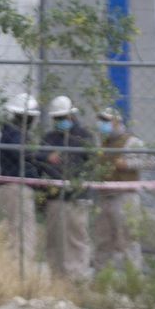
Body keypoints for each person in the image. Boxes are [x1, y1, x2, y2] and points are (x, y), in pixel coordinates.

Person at [38, 94, 95, 280]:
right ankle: (57, 276)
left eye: (63, 118)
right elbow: (37, 159)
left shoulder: (85, 137)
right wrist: (47, 158)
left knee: (76, 237)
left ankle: (78, 275)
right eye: (57, 119)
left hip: (77, 196)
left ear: (72, 116)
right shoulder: (49, 138)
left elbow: (92, 164)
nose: (60, 122)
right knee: (54, 238)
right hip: (54, 196)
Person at [92, 107, 153, 270]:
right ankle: (101, 277)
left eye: (107, 121)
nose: (103, 125)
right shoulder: (103, 143)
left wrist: (127, 164)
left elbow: (149, 161)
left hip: (125, 197)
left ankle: (133, 279)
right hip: (105, 196)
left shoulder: (131, 142)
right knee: (103, 239)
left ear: (117, 122)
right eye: (102, 121)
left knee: (128, 239)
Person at [0, 93, 41, 267]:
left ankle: (18, 265)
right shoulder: (14, 134)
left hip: (13, 186)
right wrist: (42, 155)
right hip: (17, 186)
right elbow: (24, 153)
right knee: (23, 230)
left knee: (18, 229)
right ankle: (22, 268)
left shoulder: (12, 132)